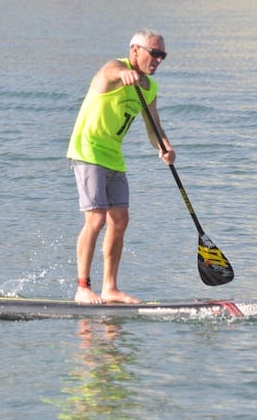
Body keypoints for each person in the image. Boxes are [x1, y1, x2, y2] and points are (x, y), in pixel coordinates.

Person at [67, 29, 176, 304]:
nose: (158, 60)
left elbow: (154, 127)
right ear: (135, 50)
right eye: (154, 53)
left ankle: (110, 288)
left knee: (120, 220)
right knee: (96, 218)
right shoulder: (113, 70)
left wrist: (164, 146)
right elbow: (111, 71)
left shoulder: (150, 88)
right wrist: (124, 74)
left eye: (163, 56)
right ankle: (82, 288)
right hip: (88, 150)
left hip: (113, 155)